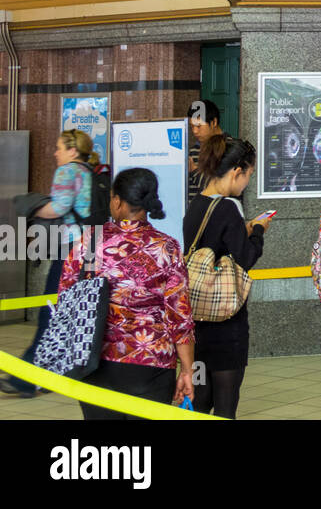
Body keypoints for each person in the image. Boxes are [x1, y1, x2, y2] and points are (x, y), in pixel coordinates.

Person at [61, 168, 195, 418]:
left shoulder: (89, 242)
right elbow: (180, 316)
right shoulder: (167, 247)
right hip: (153, 364)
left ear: (117, 200)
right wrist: (187, 370)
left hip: (95, 360)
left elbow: (66, 298)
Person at [0, 129, 97, 398]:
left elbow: (59, 208)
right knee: (77, 314)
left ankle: (26, 378)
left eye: (59, 147)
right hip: (91, 249)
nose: (55, 153)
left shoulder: (67, 172)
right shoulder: (90, 172)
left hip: (70, 252)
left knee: (50, 313)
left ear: (73, 151)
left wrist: (29, 206)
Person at [182, 135, 270, 418]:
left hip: (197, 324)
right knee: (225, 407)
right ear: (236, 171)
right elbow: (246, 258)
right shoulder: (229, 207)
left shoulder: (196, 204)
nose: (246, 182)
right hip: (226, 322)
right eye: (248, 175)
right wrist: (258, 231)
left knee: (198, 404)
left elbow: (209, 246)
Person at [187, 100, 223, 207]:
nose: (195, 131)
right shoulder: (193, 151)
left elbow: (221, 190)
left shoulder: (229, 149)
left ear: (214, 122)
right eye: (192, 126)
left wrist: (194, 170)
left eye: (199, 126)